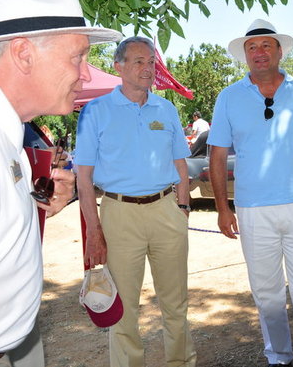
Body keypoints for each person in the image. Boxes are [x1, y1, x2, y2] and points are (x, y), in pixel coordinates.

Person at [0, 0, 121, 366]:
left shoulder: (12, 136)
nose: (86, 75)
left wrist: (35, 205)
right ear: (23, 54)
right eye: (77, 57)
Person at [208, 19, 293, 367]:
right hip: (253, 210)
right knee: (266, 291)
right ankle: (278, 356)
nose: (259, 52)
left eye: (266, 45)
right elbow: (216, 154)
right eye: (252, 47)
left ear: (280, 51)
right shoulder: (229, 97)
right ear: (245, 55)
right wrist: (223, 207)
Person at [75, 36, 196, 367]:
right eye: (139, 61)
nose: (148, 68)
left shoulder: (166, 109)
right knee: (123, 309)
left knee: (176, 303)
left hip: (166, 212)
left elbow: (180, 165)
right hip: (119, 215)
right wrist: (94, 231)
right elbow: (83, 179)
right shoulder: (95, 112)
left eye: (151, 62)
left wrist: (183, 208)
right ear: (119, 66)